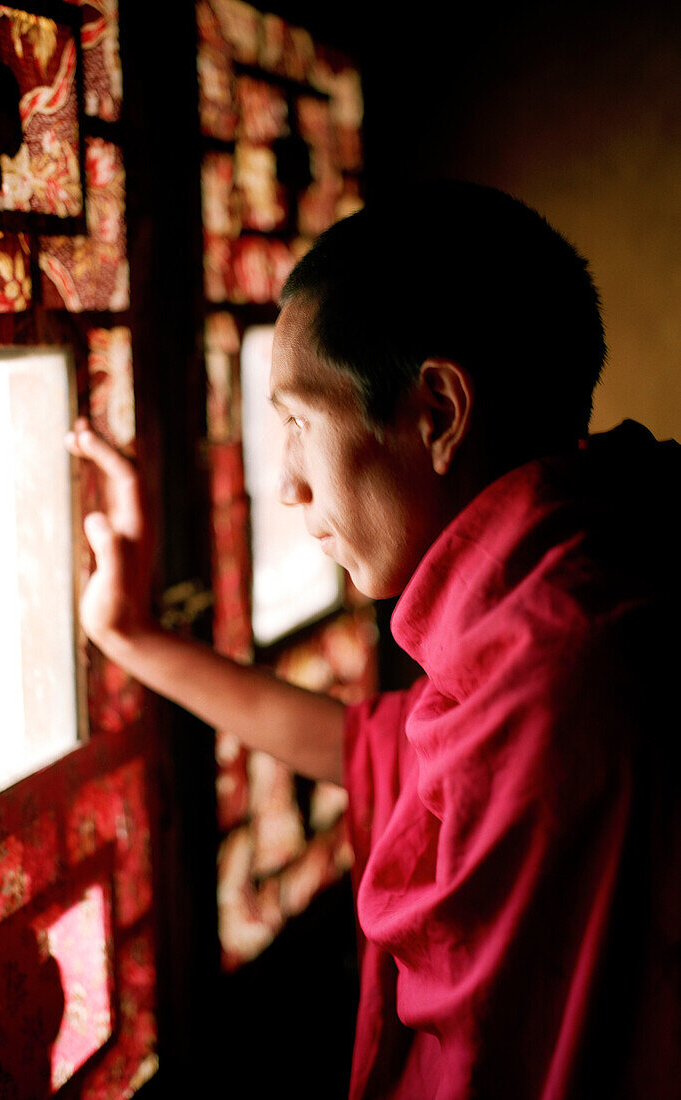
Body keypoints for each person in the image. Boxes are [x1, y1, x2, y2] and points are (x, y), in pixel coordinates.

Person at [65, 180, 680, 1099]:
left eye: (299, 424)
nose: (286, 487)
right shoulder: (559, 592)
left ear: (436, 412)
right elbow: (363, 751)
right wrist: (132, 635)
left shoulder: (564, 684)